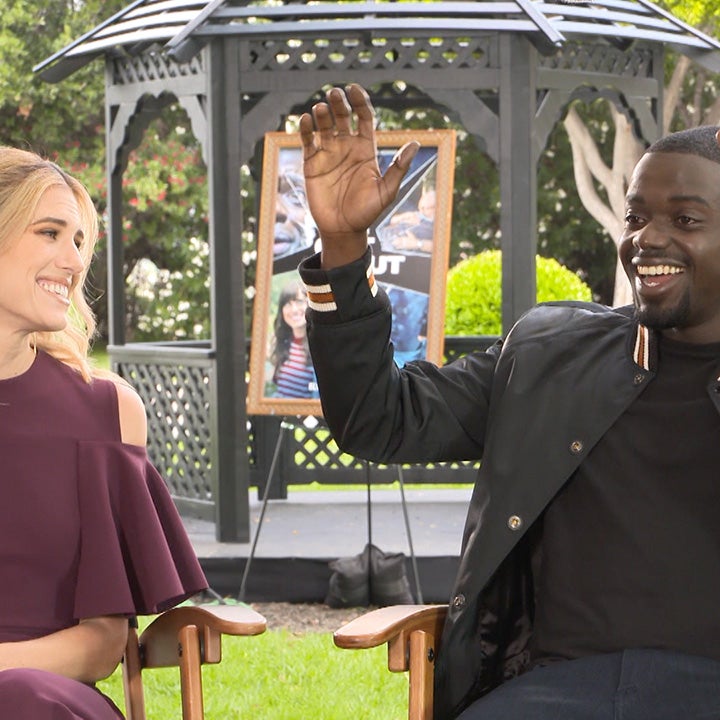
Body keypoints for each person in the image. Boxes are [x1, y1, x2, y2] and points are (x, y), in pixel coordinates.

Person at [296, 82, 720, 720]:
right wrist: (343, 248)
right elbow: (379, 418)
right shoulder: (549, 355)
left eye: (684, 220)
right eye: (636, 217)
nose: (646, 240)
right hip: (553, 690)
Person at [0, 146, 208, 718]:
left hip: (41, 699)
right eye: (50, 233)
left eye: (78, 242)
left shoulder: (107, 412)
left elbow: (103, 642)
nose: (73, 261)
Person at [268, 280, 318, 399]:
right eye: (288, 304)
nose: (294, 309)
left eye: (299, 302)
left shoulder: (318, 346)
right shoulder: (281, 344)